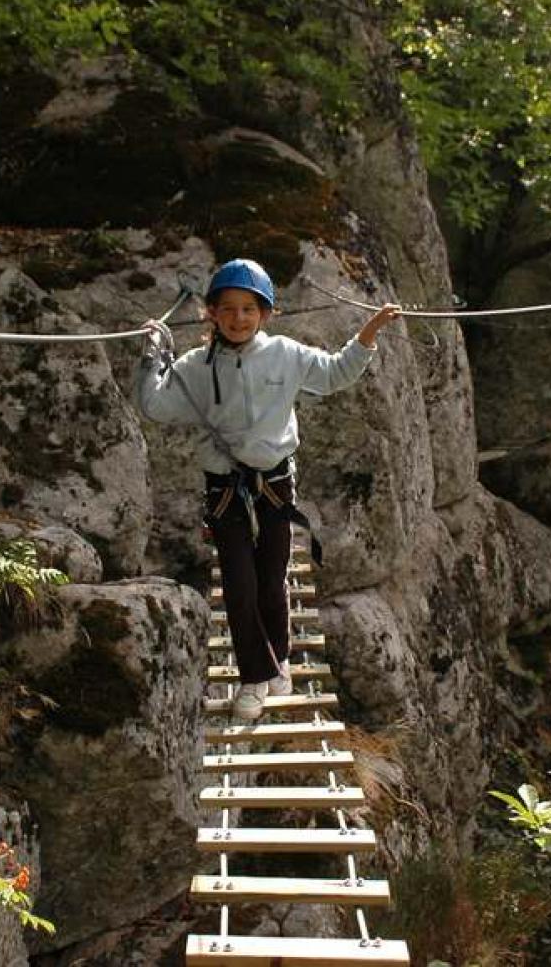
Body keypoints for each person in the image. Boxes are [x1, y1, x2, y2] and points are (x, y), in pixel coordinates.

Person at [134, 258, 401, 721]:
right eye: (229, 309)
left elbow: (336, 373)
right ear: (211, 314)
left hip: (275, 484)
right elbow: (154, 405)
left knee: (273, 584)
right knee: (240, 586)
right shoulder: (195, 366)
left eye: (249, 309)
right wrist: (151, 356)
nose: (239, 319)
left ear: (266, 314)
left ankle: (277, 662)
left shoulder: (286, 354)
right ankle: (254, 678)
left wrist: (370, 331)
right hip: (224, 489)